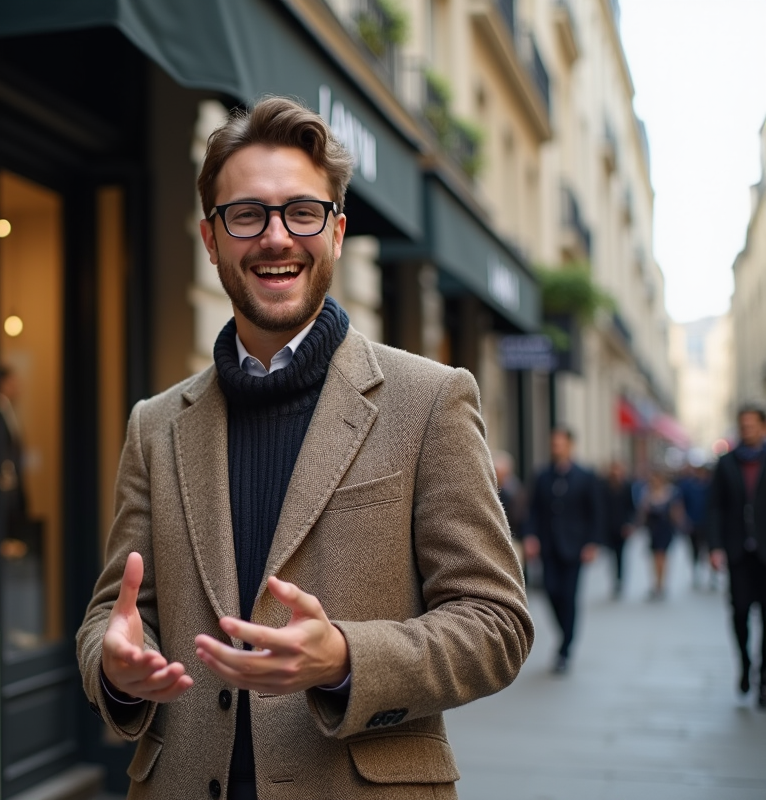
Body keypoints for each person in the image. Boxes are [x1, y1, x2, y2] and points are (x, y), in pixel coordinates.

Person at [75, 97, 533, 799]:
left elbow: (497, 625)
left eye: (302, 212)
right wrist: (113, 666)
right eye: (247, 214)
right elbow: (114, 615)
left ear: (338, 230)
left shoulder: (430, 399)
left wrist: (347, 657)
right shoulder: (155, 423)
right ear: (210, 238)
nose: (276, 237)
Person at [524, 428, 603, 674]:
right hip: (548, 547)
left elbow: (595, 512)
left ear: (570, 446)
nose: (555, 448)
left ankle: (565, 648)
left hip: (574, 548)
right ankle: (564, 633)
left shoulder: (586, 476)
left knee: (569, 597)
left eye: (560, 444)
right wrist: (530, 536)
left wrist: (592, 543)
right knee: (551, 592)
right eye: (553, 444)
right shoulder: (542, 475)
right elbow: (533, 510)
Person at [707, 405, 766, 707]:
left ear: (762, 427)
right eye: (742, 425)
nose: (747, 430)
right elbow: (715, 507)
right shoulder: (726, 463)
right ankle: (744, 663)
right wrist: (715, 547)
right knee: (740, 613)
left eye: (752, 425)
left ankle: (763, 676)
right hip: (738, 553)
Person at [636, 470, 684, 600]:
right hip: (653, 530)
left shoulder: (670, 492)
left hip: (665, 529)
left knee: (663, 556)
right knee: (654, 557)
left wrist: (681, 524)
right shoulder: (647, 493)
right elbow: (642, 513)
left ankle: (661, 584)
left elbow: (676, 511)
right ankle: (656, 583)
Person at [602, 460, 637, 598]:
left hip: (622, 528)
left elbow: (631, 507)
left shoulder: (626, 486)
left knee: (620, 555)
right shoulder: (605, 486)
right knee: (611, 556)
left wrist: (629, 524)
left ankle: (619, 580)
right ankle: (614, 578)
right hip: (609, 527)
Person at [677, 463, 712, 589]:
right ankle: (696, 573)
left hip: (708, 524)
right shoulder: (688, 486)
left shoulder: (711, 486)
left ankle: (712, 576)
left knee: (709, 549)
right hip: (693, 523)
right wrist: (684, 520)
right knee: (694, 549)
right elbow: (681, 503)